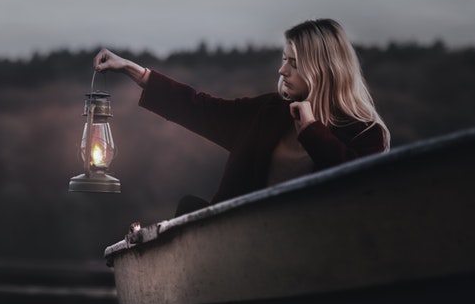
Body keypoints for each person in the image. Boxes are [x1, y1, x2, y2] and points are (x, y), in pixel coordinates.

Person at [93, 18, 390, 216]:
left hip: (314, 257)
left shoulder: (367, 134)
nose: (282, 70)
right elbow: (199, 108)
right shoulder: (268, 112)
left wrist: (313, 132)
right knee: (189, 208)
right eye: (283, 59)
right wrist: (134, 71)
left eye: (294, 63)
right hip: (237, 251)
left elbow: (362, 189)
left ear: (323, 69)